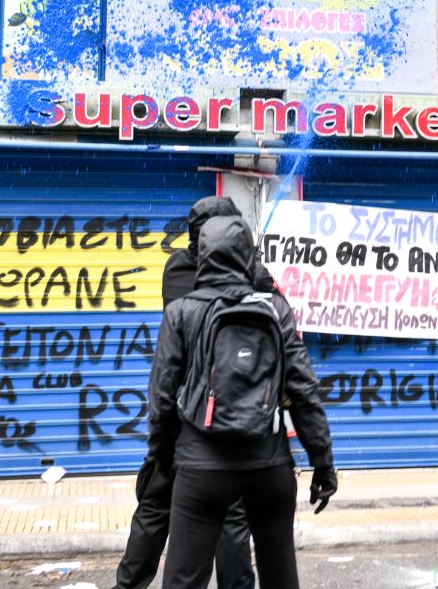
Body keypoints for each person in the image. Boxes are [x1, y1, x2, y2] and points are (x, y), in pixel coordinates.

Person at [149, 215, 336, 589]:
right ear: (247, 255)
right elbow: (304, 391)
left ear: (203, 256)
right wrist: (323, 463)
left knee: (184, 579)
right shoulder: (276, 309)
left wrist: (164, 458)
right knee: (280, 576)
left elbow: (162, 399)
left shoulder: (181, 312)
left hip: (201, 467)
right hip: (268, 464)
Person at [114, 196, 256, 589]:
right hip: (226, 417)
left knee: (155, 507)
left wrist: (160, 441)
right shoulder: (246, 275)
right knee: (230, 517)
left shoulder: (175, 267)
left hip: (178, 414)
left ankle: (128, 584)